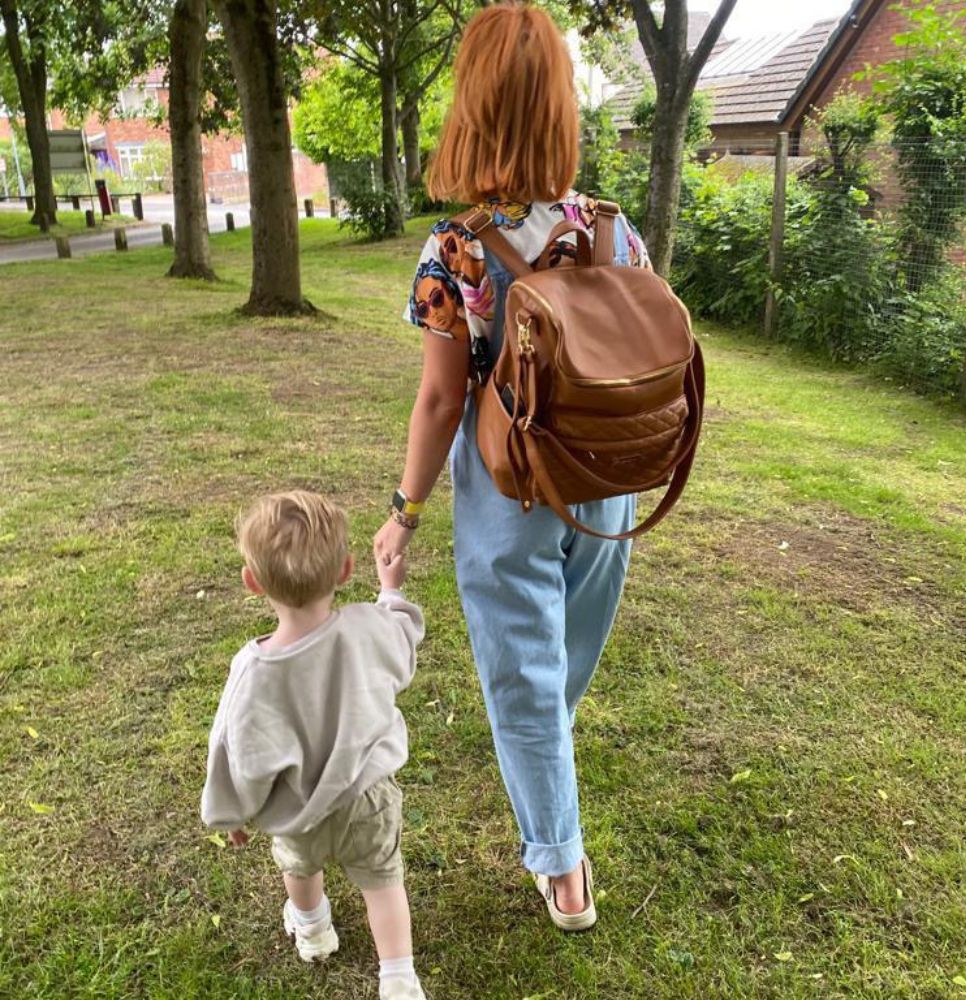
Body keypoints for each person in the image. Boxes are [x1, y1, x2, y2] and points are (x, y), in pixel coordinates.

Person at [374, 2, 651, 932]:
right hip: (609, 482)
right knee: (555, 667)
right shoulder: (611, 229)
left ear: (473, 108)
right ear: (560, 108)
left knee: (525, 677)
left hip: (510, 488)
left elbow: (442, 401)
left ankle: (562, 867)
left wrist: (405, 510)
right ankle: (550, 785)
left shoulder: (454, 247)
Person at [201, 491, 428, 1000]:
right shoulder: (368, 629)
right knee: (383, 882)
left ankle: (313, 928)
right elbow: (402, 637)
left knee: (299, 867)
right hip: (369, 798)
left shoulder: (253, 672)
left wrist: (231, 812)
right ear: (347, 570)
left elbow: (238, 750)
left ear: (252, 582)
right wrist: (390, 589)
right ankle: (397, 977)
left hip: (298, 809)